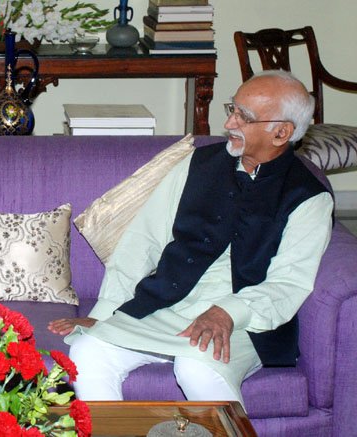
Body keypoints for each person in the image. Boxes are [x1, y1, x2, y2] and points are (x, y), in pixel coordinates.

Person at [48, 70, 333, 406]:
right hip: (163, 307)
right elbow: (144, 240)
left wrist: (228, 312)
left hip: (243, 324)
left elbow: (289, 283)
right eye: (233, 108)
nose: (229, 123)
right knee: (87, 352)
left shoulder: (308, 197)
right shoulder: (198, 163)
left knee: (196, 368)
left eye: (245, 116)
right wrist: (108, 310)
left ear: (281, 132)